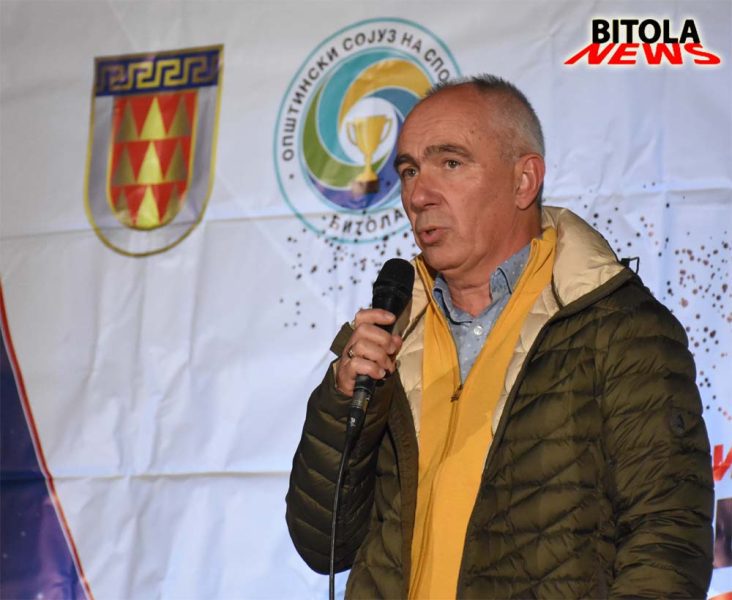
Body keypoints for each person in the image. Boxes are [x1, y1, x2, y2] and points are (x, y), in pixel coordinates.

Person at [285, 75, 714, 598]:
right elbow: (323, 544)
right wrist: (342, 403)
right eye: (410, 170)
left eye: (450, 163)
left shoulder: (618, 325)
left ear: (523, 181)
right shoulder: (391, 329)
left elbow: (668, 537)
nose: (419, 195)